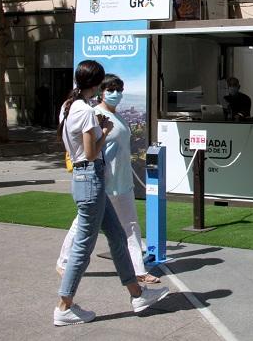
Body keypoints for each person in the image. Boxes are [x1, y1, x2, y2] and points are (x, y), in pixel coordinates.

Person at [54, 60, 169, 327]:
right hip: (90, 178)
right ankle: (64, 306)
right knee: (83, 247)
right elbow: (91, 152)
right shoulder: (84, 111)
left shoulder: (68, 106)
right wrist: (104, 131)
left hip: (86, 179)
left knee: (118, 236)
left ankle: (138, 295)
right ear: (96, 85)